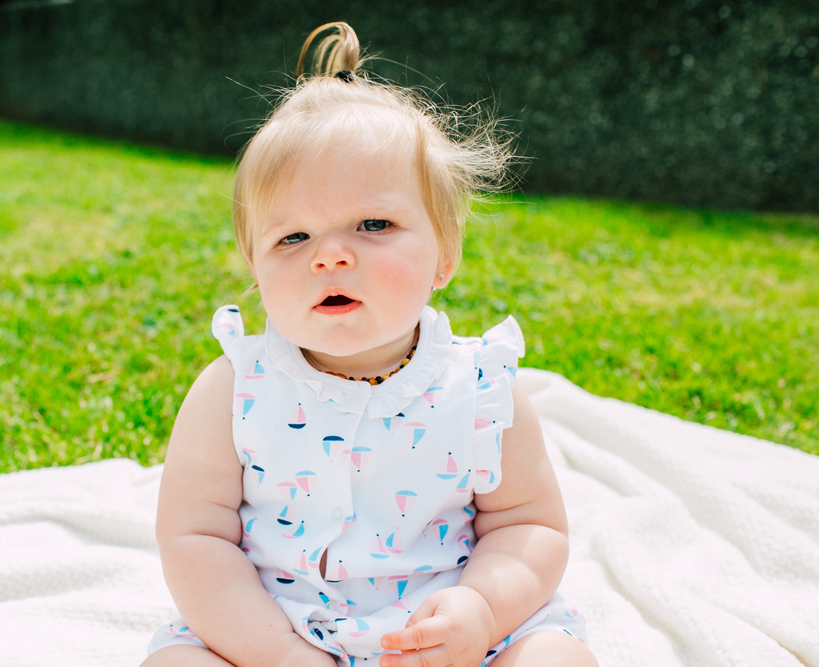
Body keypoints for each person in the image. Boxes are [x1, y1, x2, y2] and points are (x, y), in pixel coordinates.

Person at [143, 22, 598, 667]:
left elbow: (529, 526)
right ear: (254, 264)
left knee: (555, 658)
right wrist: (274, 654)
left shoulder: (481, 390)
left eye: (373, 224)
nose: (330, 256)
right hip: (274, 628)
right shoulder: (234, 389)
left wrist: (483, 611)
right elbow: (195, 539)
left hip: (448, 632)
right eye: (292, 239)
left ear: (444, 253)